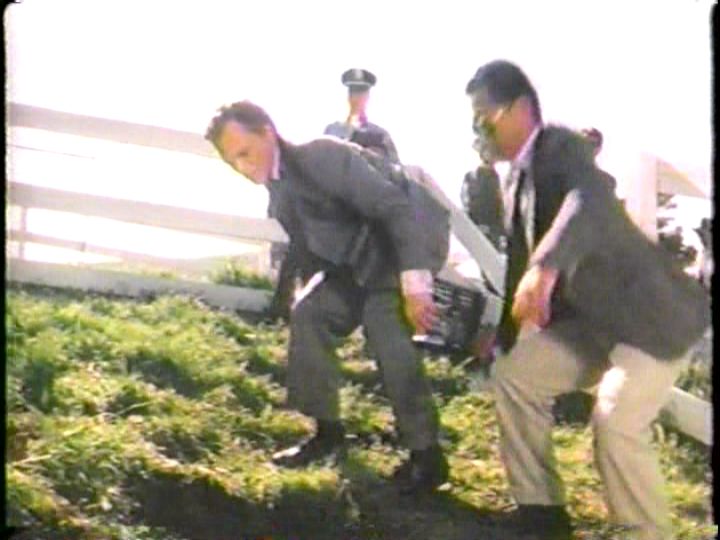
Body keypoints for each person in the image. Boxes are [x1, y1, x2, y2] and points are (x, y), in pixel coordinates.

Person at [465, 60, 710, 540]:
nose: (477, 127)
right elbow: (518, 268)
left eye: (483, 114)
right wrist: (505, 337)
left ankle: (646, 534)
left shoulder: (561, 147)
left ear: (519, 108)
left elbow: (589, 196)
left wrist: (547, 265)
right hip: (594, 325)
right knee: (515, 376)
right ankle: (541, 512)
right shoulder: (513, 181)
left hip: (652, 320)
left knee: (615, 422)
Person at [204, 101, 448, 495]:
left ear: (267, 132)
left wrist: (415, 286)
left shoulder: (322, 155)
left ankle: (427, 456)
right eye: (233, 162)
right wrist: (289, 297)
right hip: (354, 265)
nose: (243, 168)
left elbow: (395, 210)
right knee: (310, 314)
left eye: (245, 153)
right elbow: (307, 250)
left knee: (385, 330)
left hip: (399, 250)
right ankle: (326, 433)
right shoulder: (278, 189)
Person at [324, 68, 400, 163]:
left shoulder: (380, 135)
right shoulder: (332, 131)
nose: (355, 98)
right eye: (352, 92)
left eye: (360, 93)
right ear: (348, 97)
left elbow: (394, 167)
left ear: (367, 97)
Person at [460, 144, 505, 250]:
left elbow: (501, 208)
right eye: (489, 152)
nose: (492, 156)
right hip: (479, 230)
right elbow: (467, 204)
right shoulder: (472, 177)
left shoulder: (498, 178)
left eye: (494, 153)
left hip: (492, 232)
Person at [580, 127, 618, 193]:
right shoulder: (566, 175)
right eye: (584, 143)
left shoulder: (608, 182)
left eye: (592, 144)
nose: (587, 147)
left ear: (599, 149)